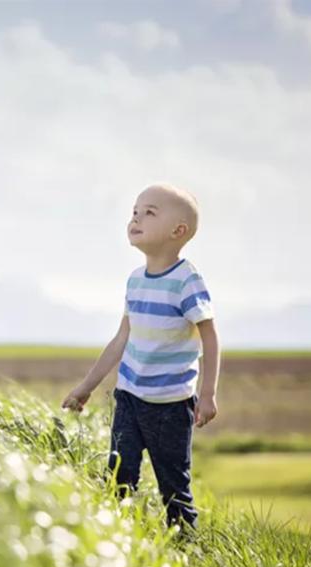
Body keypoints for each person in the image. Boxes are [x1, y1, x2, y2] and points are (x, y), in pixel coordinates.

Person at [61, 183, 220, 532]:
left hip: (170, 406)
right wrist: (86, 387)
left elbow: (209, 335)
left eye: (149, 212)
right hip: (129, 397)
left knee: (174, 489)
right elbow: (121, 339)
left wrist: (207, 394)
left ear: (178, 231)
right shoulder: (135, 281)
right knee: (119, 476)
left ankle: (185, 548)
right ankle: (119, 539)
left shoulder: (186, 280)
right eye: (135, 211)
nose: (136, 218)